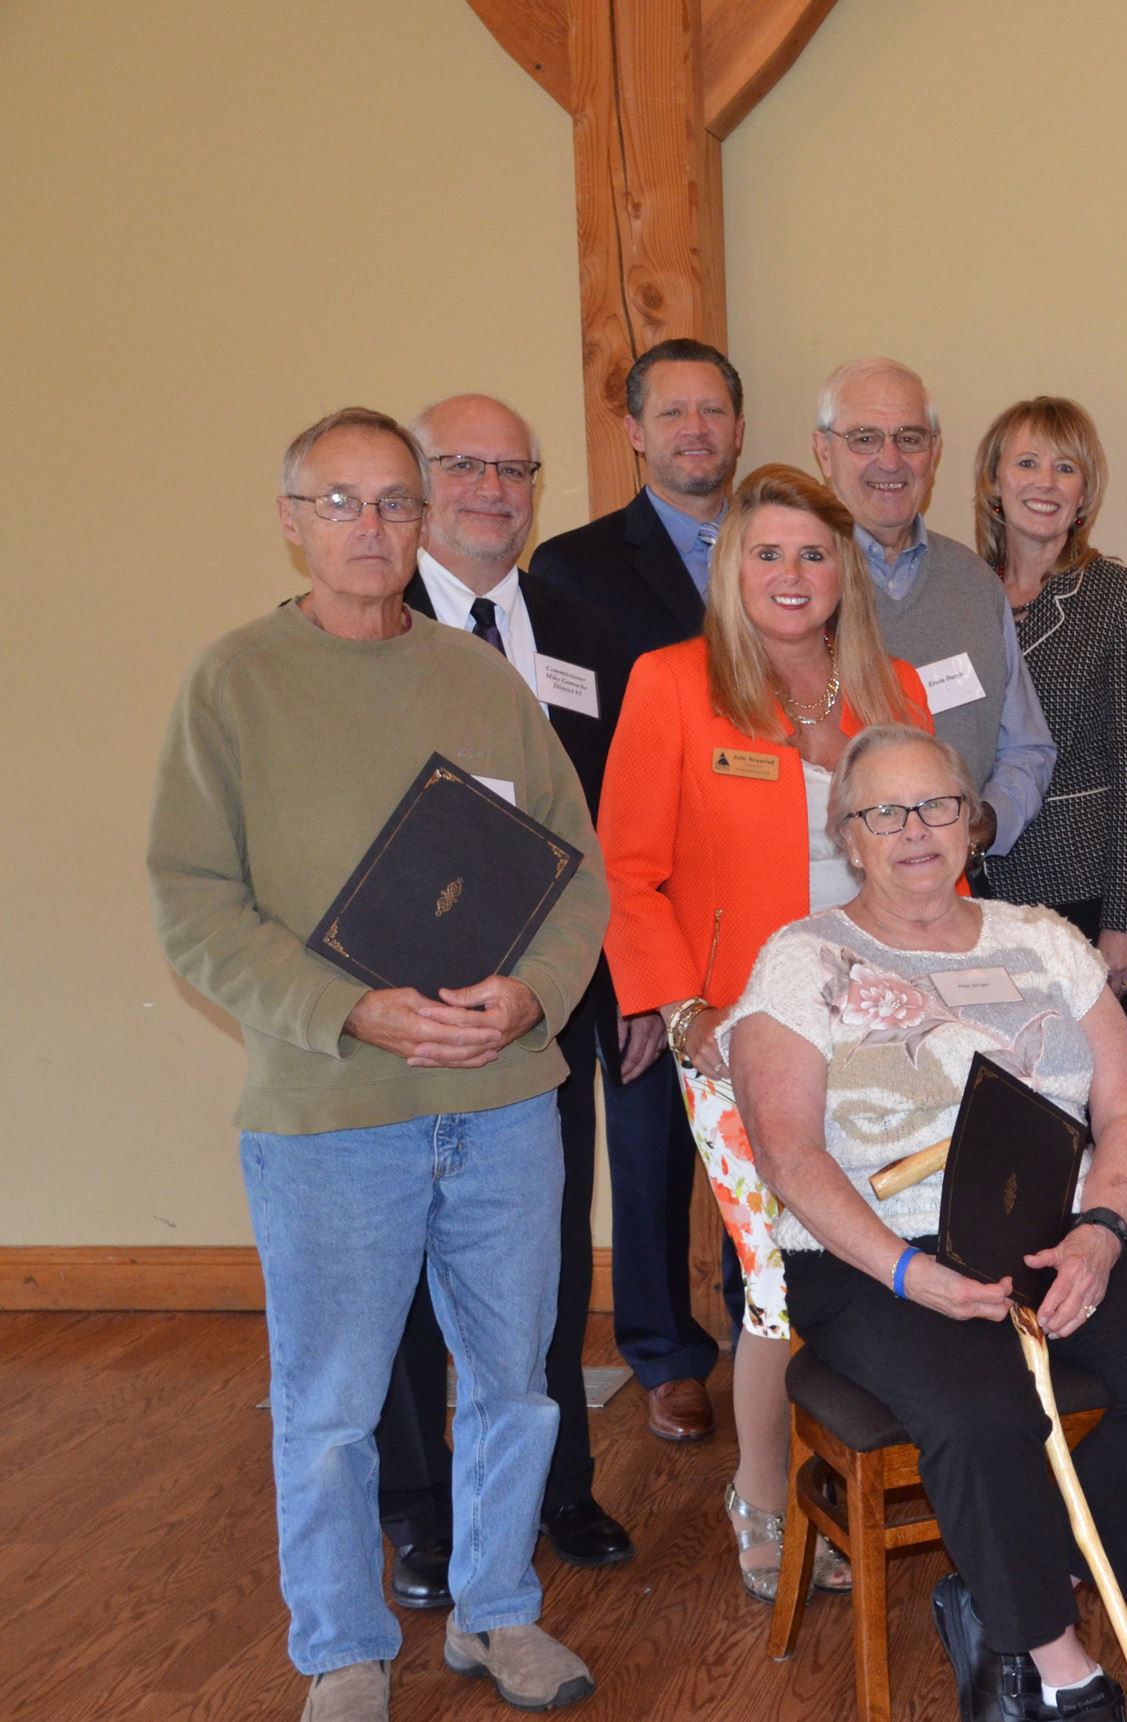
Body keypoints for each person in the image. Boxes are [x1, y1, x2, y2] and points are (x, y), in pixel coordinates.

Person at [149, 407, 609, 1720]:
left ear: (423, 522)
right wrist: (353, 1014)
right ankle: (345, 1647)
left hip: (504, 1101)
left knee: (517, 1383)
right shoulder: (232, 681)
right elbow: (193, 900)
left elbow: (571, 876)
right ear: (291, 517)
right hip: (328, 1109)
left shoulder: (480, 681)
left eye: (394, 503)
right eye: (339, 502)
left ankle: (497, 1612)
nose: (372, 528)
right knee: (334, 1403)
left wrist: (529, 994)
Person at [732, 725, 1127, 1722]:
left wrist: (1100, 1228)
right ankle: (1058, 1665)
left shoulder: (1041, 939)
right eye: (884, 812)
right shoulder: (802, 960)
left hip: (1053, 1231)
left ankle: (1007, 1585)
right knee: (982, 1413)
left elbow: (1125, 1114)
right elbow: (789, 1155)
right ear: (847, 834)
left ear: (971, 824)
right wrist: (908, 1276)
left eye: (935, 807)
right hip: (878, 1256)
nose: (914, 830)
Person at [598, 464, 934, 1600]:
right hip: (737, 1034)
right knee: (780, 1275)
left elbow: (930, 855)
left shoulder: (889, 688)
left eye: (813, 554)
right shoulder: (673, 684)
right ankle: (759, 1491)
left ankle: (874, 1471)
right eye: (768, 553)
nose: (791, 576)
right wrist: (679, 1007)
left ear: (845, 572)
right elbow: (627, 873)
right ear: (731, 569)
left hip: (882, 1030)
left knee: (884, 1256)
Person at [373, 394, 635, 1614]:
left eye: (512, 468)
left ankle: (554, 1485)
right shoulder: (365, 625)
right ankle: (425, 1508)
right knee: (408, 1265)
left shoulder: (579, 623)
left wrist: (616, 978)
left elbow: (613, 824)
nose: (491, 487)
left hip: (552, 996)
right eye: (461, 466)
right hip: (402, 1011)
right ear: (423, 487)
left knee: (537, 1250)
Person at [529, 336, 752, 1446]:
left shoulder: (780, 551)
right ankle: (666, 1352)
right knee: (653, 1136)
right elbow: (576, 766)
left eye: (713, 412)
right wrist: (622, 956)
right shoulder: (571, 570)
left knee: (787, 1120)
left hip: (768, 892)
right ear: (633, 431)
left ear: (739, 428)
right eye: (672, 414)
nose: (694, 432)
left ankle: (784, 1329)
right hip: (651, 897)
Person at [971, 396, 1127, 1070]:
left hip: (1087, 901)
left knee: (1092, 1109)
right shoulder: (958, 595)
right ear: (993, 482)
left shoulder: (1122, 599)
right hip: (970, 900)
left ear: (1084, 493)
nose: (1044, 482)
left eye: (1065, 467)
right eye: (1026, 462)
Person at [813, 357, 1059, 873]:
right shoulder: (798, 585)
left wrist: (984, 825)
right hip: (826, 894)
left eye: (909, 438)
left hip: (956, 897)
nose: (889, 460)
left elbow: (1028, 748)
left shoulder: (975, 583)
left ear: (935, 452)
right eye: (863, 438)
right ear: (823, 451)